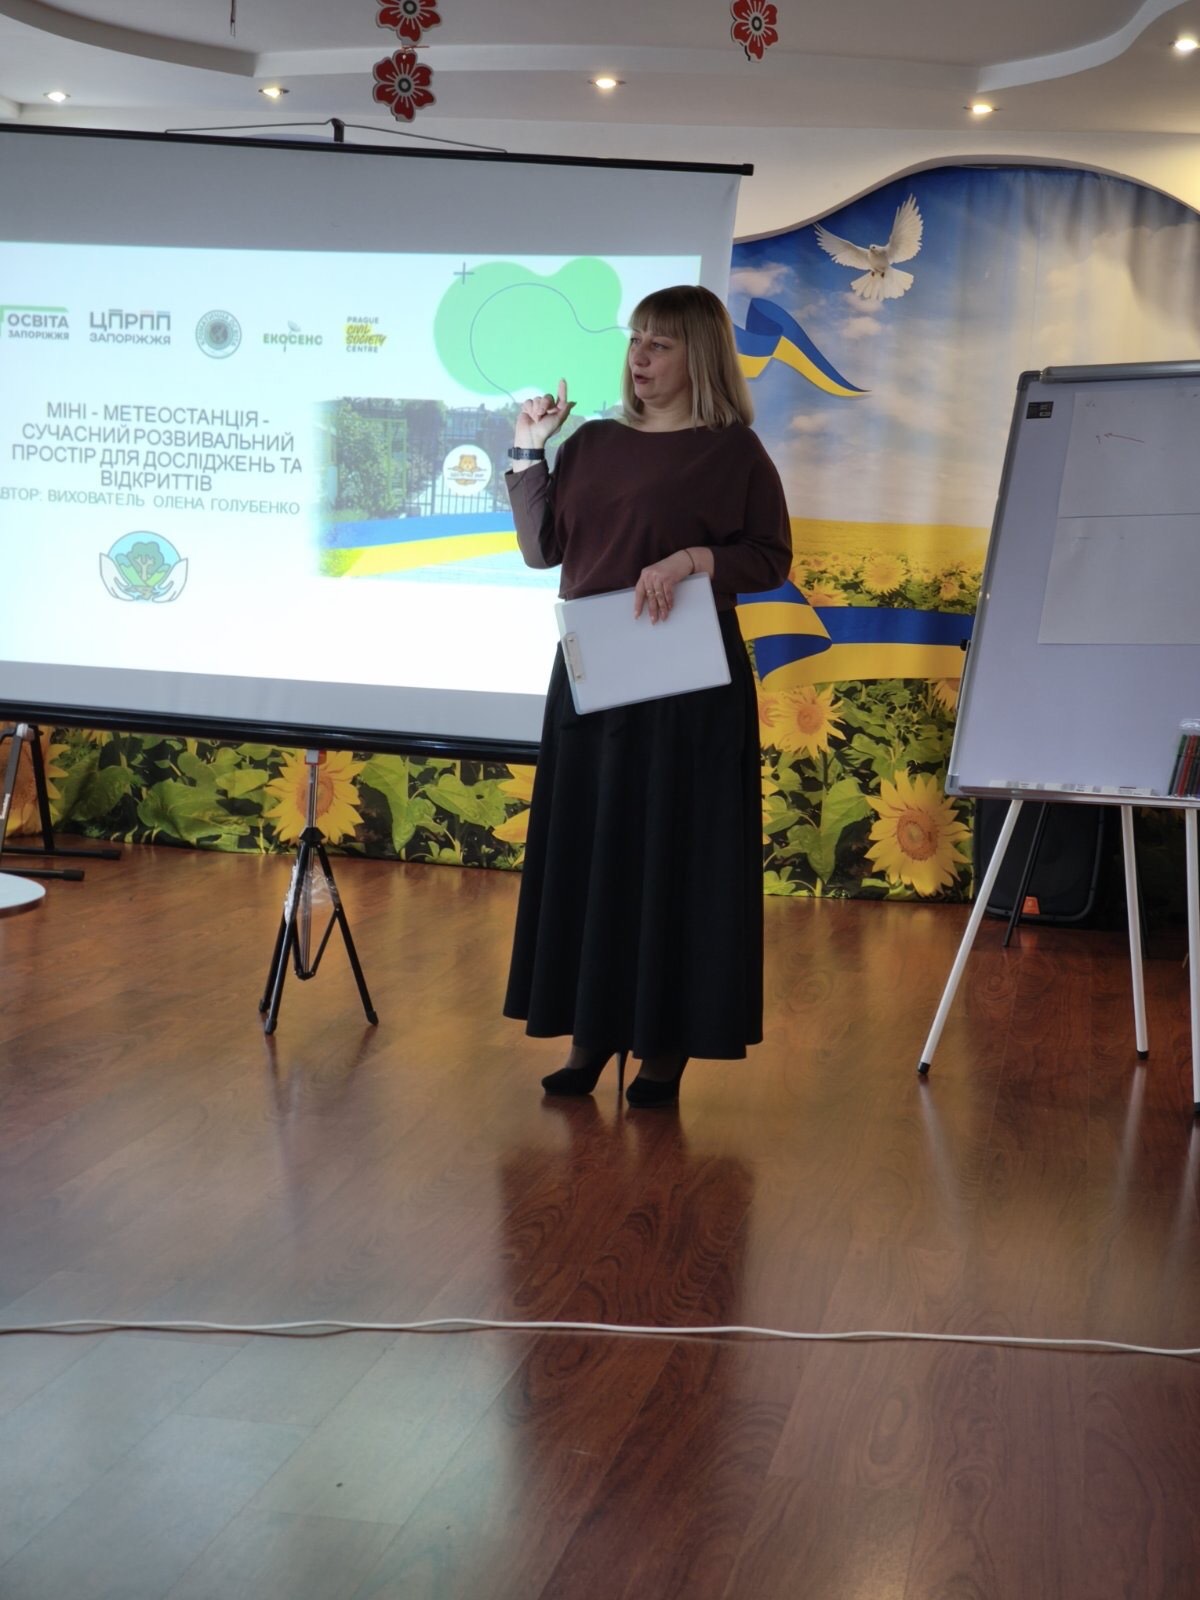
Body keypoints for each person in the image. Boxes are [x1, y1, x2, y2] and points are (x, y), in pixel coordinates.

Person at [503, 284, 792, 1106]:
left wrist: (692, 559)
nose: (640, 357)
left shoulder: (732, 451)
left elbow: (770, 558)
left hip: (688, 686)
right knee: (593, 852)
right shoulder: (592, 442)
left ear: (699, 356)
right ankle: (590, 1036)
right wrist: (528, 449)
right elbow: (541, 549)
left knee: (675, 857)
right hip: (595, 677)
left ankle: (666, 1047)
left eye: (660, 344)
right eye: (636, 340)